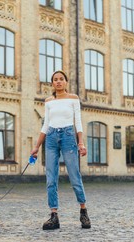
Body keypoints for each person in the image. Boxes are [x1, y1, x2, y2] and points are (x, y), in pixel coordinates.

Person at [30, 70, 91, 230]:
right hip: (50, 137)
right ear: (52, 83)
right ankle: (54, 215)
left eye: (61, 79)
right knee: (51, 177)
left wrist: (81, 143)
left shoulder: (73, 98)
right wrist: (36, 147)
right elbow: (46, 124)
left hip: (68, 136)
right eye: (55, 79)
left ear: (65, 82)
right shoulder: (49, 101)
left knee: (74, 175)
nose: (58, 82)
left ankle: (83, 211)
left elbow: (78, 121)